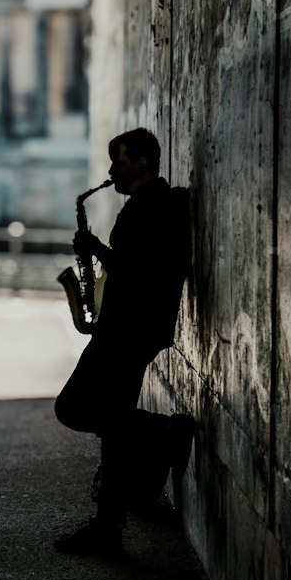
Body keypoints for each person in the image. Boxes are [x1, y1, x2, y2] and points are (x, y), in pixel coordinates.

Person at [53, 127, 191, 555]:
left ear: (144, 162)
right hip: (133, 327)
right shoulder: (152, 206)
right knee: (113, 424)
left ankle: (168, 432)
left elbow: (137, 272)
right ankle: (108, 527)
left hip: (128, 329)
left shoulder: (151, 209)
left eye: (120, 160)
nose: (112, 170)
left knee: (75, 407)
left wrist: (93, 248)